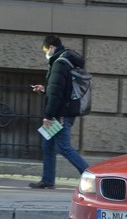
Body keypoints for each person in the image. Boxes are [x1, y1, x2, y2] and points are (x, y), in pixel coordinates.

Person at [29, 35, 89, 189]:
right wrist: (44, 90)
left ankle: (91, 175)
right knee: (48, 146)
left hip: (59, 115)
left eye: (45, 51)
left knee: (64, 147)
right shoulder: (65, 62)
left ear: (51, 47)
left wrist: (48, 116)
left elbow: (56, 94)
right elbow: (57, 90)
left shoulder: (59, 64)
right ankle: (48, 180)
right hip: (62, 112)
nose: (45, 54)